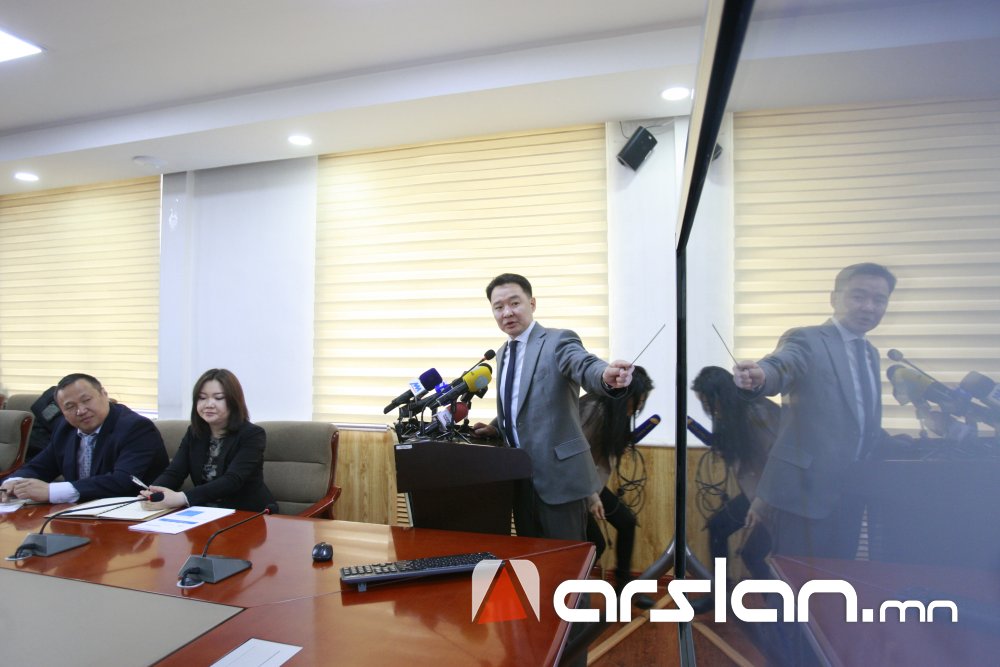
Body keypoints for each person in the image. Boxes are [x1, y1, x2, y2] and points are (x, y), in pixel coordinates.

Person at [733, 262, 895, 560]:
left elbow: (857, 421)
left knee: (838, 579)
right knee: (797, 581)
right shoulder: (807, 340)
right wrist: (761, 376)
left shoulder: (870, 353)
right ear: (834, 298)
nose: (869, 307)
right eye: (858, 296)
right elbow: (782, 364)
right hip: (804, 495)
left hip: (851, 494)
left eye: (879, 300)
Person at [472, 273, 633, 542]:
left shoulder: (558, 341)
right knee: (530, 560)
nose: (507, 312)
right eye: (498, 307)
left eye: (514, 303)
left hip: (560, 479)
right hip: (520, 479)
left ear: (532, 303)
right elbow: (519, 404)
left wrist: (605, 375)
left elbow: (584, 364)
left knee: (565, 561)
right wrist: (497, 427)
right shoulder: (502, 353)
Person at [0, 373, 168, 503]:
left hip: (132, 514)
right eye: (70, 407)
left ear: (104, 394)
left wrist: (51, 491)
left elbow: (122, 482)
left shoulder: (136, 428)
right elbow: (39, 467)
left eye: (86, 400)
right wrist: (13, 483)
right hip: (77, 515)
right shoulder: (65, 428)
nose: (80, 411)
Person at [141, 369, 277, 512]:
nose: (209, 404)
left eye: (218, 398)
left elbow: (232, 480)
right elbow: (175, 472)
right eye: (202, 398)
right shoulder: (194, 433)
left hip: (245, 513)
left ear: (233, 401)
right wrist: (153, 492)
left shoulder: (252, 435)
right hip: (204, 512)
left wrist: (182, 498)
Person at [692, 366, 779, 580]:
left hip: (776, 499)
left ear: (719, 396)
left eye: (708, 403)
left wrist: (760, 504)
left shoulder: (756, 413)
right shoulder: (738, 414)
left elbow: (776, 464)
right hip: (758, 493)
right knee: (718, 527)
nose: (709, 409)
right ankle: (720, 591)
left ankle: (778, 602)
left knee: (752, 555)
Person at [581, 364, 655, 608]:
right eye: (638, 399)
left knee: (626, 522)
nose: (639, 406)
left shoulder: (616, 413)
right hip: (576, 486)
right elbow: (578, 458)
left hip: (593, 485)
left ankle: (624, 588)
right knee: (596, 544)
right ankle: (571, 596)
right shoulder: (594, 409)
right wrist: (591, 496)